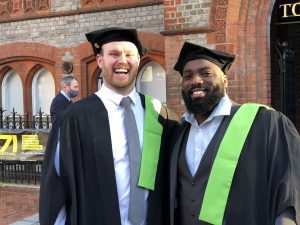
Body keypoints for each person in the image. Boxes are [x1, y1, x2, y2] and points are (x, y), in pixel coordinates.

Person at [39, 27, 177, 225]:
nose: (122, 60)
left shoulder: (160, 115)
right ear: (99, 61)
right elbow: (56, 186)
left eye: (129, 54)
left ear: (138, 60)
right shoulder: (74, 119)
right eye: (114, 54)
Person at [169, 42, 300, 225]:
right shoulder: (177, 132)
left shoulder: (265, 123)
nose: (196, 81)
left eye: (206, 73)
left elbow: (289, 190)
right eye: (187, 76)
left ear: (225, 80)